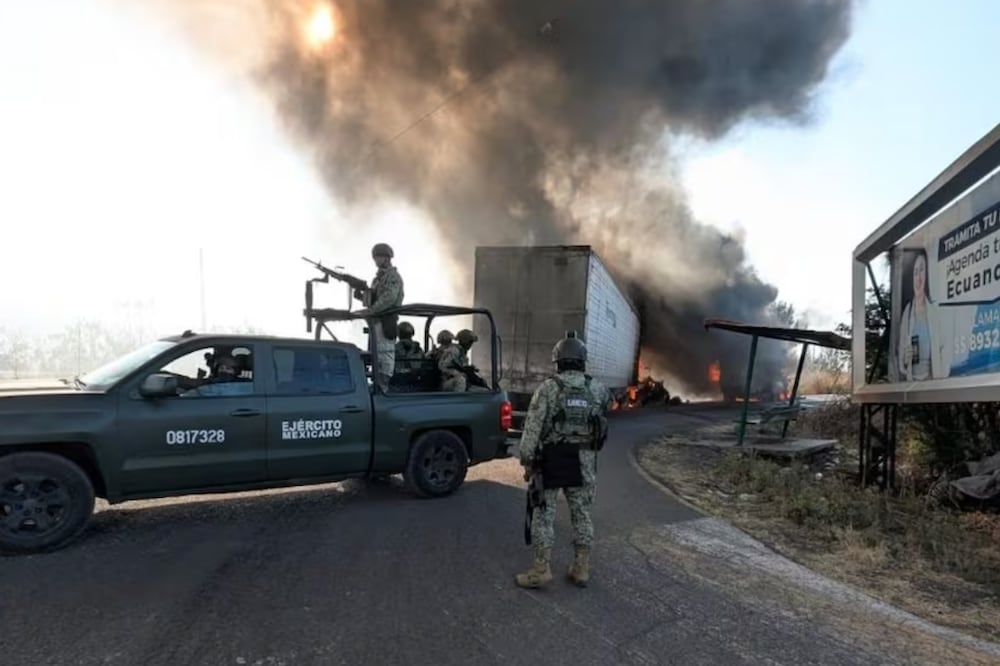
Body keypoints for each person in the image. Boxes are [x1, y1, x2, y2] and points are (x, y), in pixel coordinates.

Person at [515, 331, 610, 589]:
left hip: (552, 459)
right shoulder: (598, 389)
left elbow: (532, 430)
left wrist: (527, 461)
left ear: (557, 361)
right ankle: (581, 568)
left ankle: (541, 570)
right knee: (582, 513)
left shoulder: (548, 389)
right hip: (585, 459)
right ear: (582, 360)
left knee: (543, 514)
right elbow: (604, 417)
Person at [354, 242, 404, 390]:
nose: (376, 260)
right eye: (375, 257)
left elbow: (388, 299)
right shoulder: (377, 279)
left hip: (386, 321)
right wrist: (361, 296)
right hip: (375, 322)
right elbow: (374, 299)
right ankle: (377, 385)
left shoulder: (393, 277)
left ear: (386, 258)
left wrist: (370, 311)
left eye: (378, 257)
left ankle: (383, 388)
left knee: (384, 355)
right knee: (375, 356)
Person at [896, 248, 949, 380]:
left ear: (927, 274)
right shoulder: (907, 312)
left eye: (921, 270)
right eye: (915, 272)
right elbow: (901, 360)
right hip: (912, 385)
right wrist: (905, 360)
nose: (918, 278)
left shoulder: (935, 312)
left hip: (932, 384)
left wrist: (940, 380)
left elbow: (944, 351)